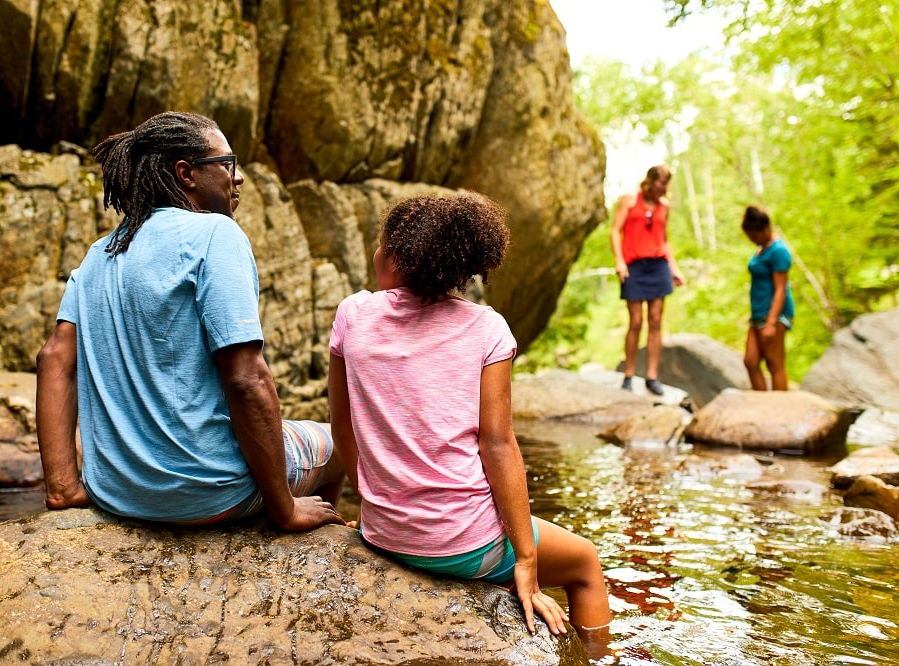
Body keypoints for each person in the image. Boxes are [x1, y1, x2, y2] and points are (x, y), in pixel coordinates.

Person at [36, 111, 345, 532]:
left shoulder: (100, 253)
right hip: (212, 491)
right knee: (341, 442)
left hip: (119, 495)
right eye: (228, 164)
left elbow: (54, 359)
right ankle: (307, 533)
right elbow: (246, 380)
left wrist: (64, 486)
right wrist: (284, 507)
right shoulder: (215, 233)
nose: (237, 178)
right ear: (187, 174)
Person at [327, 193, 612, 646]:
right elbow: (497, 444)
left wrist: (372, 502)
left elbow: (342, 423)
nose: (375, 255)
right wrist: (526, 558)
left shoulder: (353, 315)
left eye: (379, 247)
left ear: (396, 258)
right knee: (586, 563)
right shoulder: (486, 327)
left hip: (382, 531)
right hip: (462, 544)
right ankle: (598, 656)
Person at [610, 164, 685, 395]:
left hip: (658, 266)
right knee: (635, 322)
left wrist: (674, 268)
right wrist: (619, 262)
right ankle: (629, 374)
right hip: (633, 266)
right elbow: (614, 231)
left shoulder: (665, 207)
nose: (664, 188)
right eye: (662, 183)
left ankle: (652, 376)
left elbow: (664, 240)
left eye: (667, 184)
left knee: (655, 321)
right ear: (651, 181)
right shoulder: (630, 200)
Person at [741, 205, 794, 390]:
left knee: (774, 363)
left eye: (753, 235)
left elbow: (781, 289)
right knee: (751, 361)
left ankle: (779, 409)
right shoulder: (761, 249)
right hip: (758, 314)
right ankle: (762, 402)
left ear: (764, 229)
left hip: (774, 315)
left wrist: (771, 322)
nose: (752, 239)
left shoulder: (778, 251)